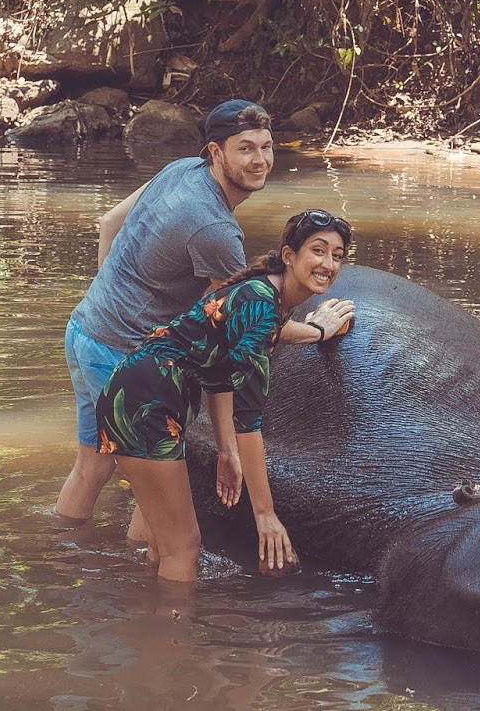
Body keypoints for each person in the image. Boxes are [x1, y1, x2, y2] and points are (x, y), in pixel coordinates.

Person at [56, 99, 355, 533]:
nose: (260, 161)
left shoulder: (179, 169)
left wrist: (112, 298)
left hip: (85, 329)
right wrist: (316, 329)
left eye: (267, 147)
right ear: (216, 152)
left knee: (92, 469)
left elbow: (109, 222)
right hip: (127, 357)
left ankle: (59, 555)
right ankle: (143, 589)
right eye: (245, 149)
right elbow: (243, 322)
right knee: (156, 497)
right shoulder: (215, 230)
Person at [94, 209, 355, 581]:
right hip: (146, 406)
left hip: (140, 394)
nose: (328, 263)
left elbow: (222, 374)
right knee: (184, 546)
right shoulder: (262, 306)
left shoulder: (263, 295)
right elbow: (248, 420)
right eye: (318, 250)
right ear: (288, 255)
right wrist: (264, 513)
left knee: (157, 544)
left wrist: (226, 452)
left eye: (337, 255)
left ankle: (136, 606)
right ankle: (171, 636)